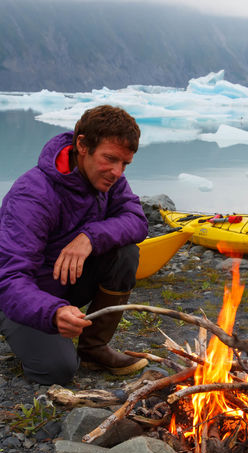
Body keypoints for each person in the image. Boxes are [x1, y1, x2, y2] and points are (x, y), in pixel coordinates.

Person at [0, 104, 149, 385]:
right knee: (58, 370)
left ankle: (93, 349)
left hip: (64, 284)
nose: (117, 172)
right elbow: (10, 278)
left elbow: (137, 221)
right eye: (110, 159)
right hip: (16, 296)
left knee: (125, 253)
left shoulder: (108, 178)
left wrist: (90, 237)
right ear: (82, 145)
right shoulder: (33, 196)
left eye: (125, 164)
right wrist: (52, 312)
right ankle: (23, 333)